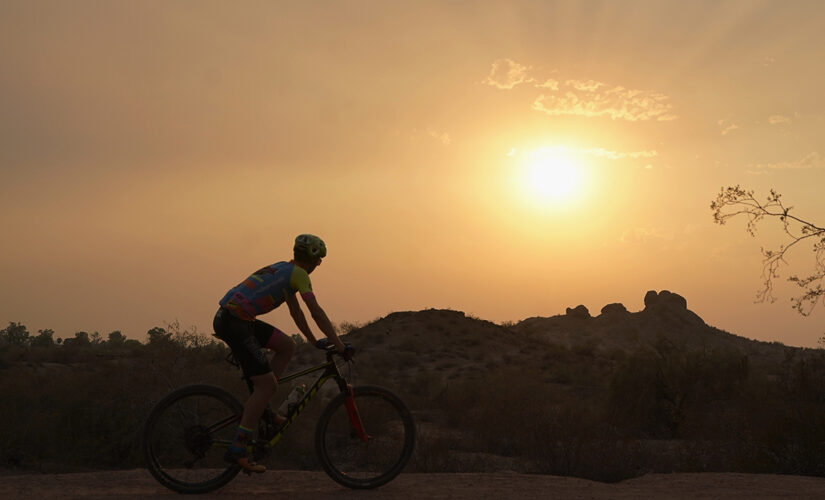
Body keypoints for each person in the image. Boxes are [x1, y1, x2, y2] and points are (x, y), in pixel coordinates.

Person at [213, 234, 349, 473]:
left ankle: (263, 409)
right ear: (314, 261)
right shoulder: (300, 275)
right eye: (319, 261)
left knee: (287, 346)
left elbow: (296, 312)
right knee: (267, 386)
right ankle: (238, 449)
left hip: (235, 318)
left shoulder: (285, 269)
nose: (319, 266)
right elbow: (315, 311)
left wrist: (313, 340)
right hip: (234, 322)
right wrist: (340, 345)